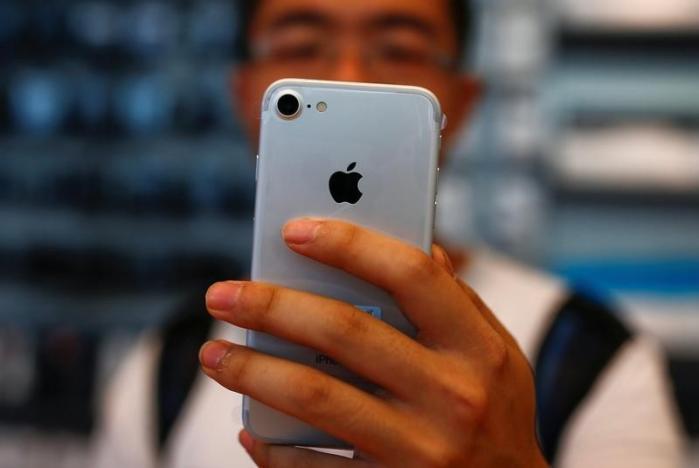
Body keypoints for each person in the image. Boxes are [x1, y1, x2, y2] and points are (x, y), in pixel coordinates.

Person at [93, 1, 686, 467]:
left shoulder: (590, 357)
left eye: (399, 49)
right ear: (246, 92)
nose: (349, 77)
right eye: (302, 45)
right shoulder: (165, 365)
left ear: (464, 102)